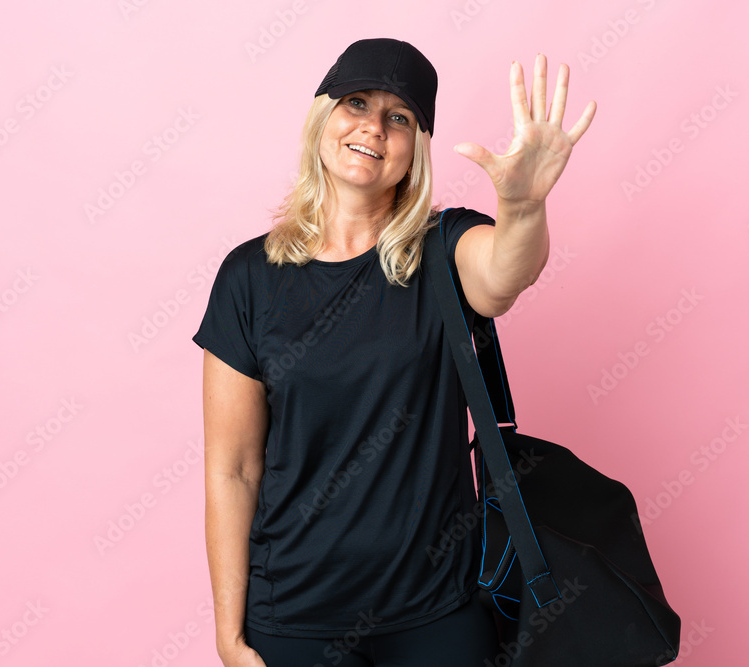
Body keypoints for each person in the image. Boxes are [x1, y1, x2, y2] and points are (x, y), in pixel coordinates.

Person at [193, 38, 595, 667]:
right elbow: (233, 468)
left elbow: (503, 276)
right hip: (295, 617)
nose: (373, 127)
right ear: (323, 117)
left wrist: (522, 207)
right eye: (356, 102)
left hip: (436, 614)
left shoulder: (443, 246)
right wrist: (229, 632)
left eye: (399, 117)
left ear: (415, 149)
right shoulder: (249, 277)